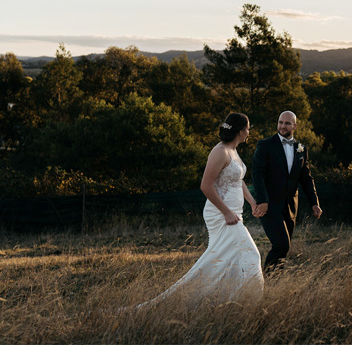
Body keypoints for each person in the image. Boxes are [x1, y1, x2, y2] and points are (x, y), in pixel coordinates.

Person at [135, 113, 264, 308]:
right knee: (251, 254)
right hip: (221, 215)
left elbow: (238, 181)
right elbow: (206, 186)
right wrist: (226, 212)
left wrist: (253, 203)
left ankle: (225, 303)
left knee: (226, 260)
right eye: (247, 129)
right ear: (239, 131)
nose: (248, 133)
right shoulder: (220, 151)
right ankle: (246, 301)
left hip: (235, 214)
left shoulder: (234, 151)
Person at [252, 111, 322, 269]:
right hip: (269, 205)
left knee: (284, 247)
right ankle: (266, 280)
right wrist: (262, 201)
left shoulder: (301, 149)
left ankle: (275, 281)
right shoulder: (265, 145)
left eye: (287, 123)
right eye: (280, 122)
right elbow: (257, 175)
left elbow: (306, 178)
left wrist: (314, 203)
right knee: (281, 245)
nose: (282, 126)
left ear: (295, 126)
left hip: (291, 207)